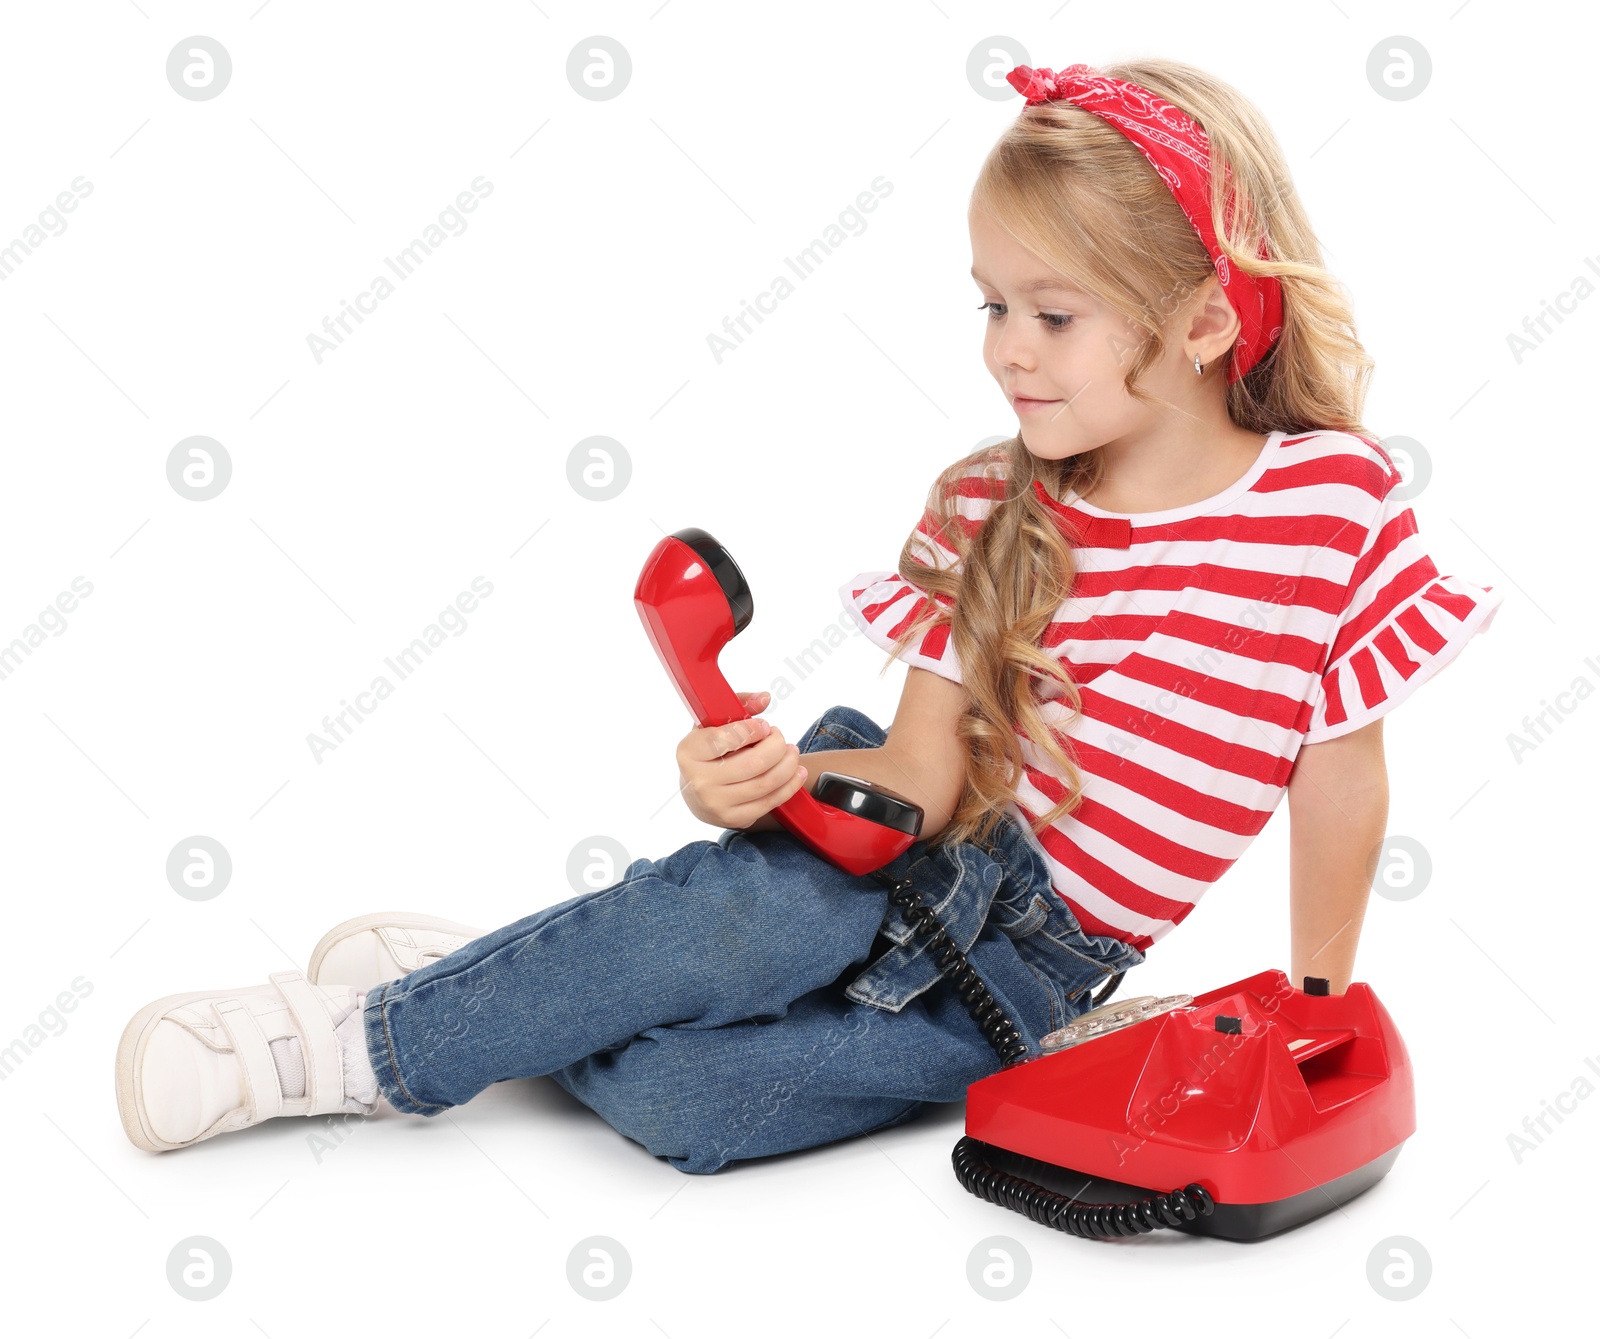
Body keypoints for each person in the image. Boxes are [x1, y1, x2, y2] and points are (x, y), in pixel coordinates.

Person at [114, 58, 1503, 1172]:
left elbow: (1339, 770)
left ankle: (508, 986)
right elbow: (914, 775)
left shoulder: (1336, 502)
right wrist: (762, 787)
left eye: (1054, 314)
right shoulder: (990, 508)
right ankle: (350, 1047)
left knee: (694, 1114)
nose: (1004, 348)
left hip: (1037, 972)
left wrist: (1319, 1002)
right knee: (744, 932)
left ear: (1204, 321)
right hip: (924, 847)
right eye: (992, 304)